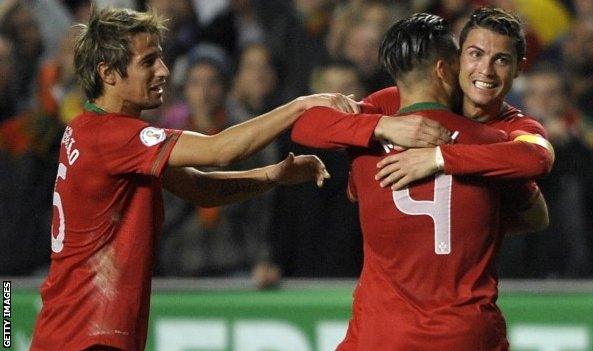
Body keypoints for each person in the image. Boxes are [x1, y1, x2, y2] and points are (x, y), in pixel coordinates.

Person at [29, 7, 362, 351]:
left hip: (72, 331)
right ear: (109, 73)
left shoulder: (90, 130)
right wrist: (301, 106)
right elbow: (221, 150)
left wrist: (271, 174)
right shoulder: (113, 135)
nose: (164, 71)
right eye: (148, 62)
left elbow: (200, 188)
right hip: (87, 337)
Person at [291, 10, 554, 350]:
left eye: (501, 60)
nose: (485, 70)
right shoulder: (398, 109)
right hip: (463, 329)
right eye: (475, 54)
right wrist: (382, 125)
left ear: (520, 68)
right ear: (454, 61)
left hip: (386, 330)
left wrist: (440, 158)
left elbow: (538, 158)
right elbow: (536, 214)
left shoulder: (510, 128)